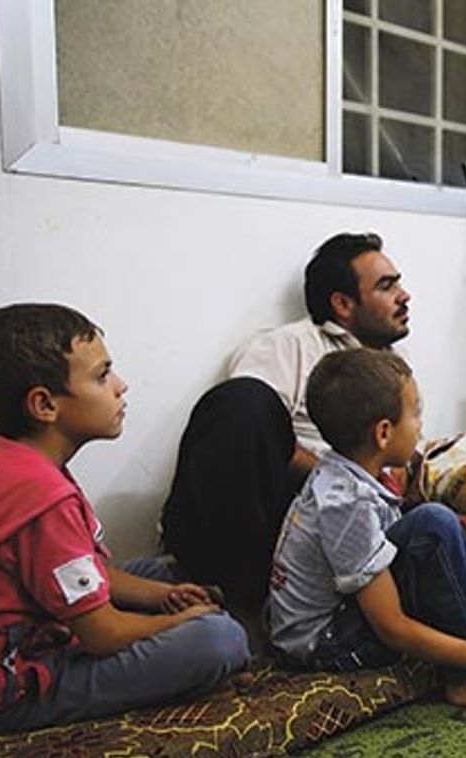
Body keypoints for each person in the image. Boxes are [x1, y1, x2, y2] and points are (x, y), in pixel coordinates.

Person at [0, 304, 249, 733]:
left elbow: (88, 568)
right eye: (102, 376)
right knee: (218, 639)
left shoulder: (7, 463)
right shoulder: (41, 500)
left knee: (161, 572)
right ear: (44, 405)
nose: (121, 386)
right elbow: (104, 634)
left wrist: (159, 596)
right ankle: (190, 676)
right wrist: (175, 621)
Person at [268, 349, 466, 717]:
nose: (420, 425)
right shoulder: (344, 505)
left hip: (348, 611)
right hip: (326, 642)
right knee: (434, 527)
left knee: (445, 533)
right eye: (415, 413)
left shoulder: (349, 475)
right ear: (383, 432)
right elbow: (392, 628)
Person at [159, 232, 411, 619]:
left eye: (398, 283)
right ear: (343, 304)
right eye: (386, 285)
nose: (404, 295)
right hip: (273, 517)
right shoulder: (289, 346)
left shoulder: (393, 368)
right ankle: (241, 610)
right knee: (243, 401)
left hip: (354, 521)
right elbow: (244, 435)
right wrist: (345, 478)